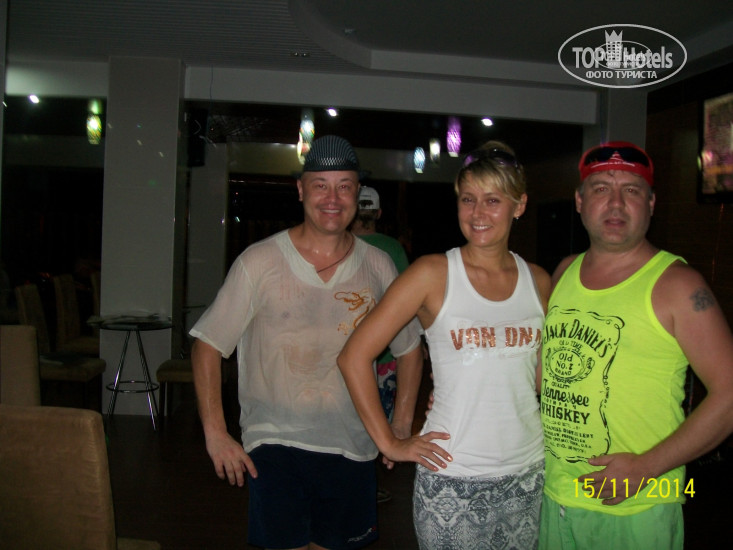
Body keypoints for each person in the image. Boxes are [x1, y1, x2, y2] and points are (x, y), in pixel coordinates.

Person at [190, 135, 423, 550]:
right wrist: (216, 433)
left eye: (344, 186)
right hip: (275, 440)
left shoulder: (378, 265)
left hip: (353, 443)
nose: (332, 198)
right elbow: (207, 345)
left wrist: (401, 424)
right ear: (300, 190)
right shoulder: (259, 261)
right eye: (320, 185)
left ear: (357, 194)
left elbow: (409, 349)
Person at [338, 141, 551, 550]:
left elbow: (537, 380)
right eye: (468, 199)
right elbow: (353, 356)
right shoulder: (433, 273)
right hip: (453, 476)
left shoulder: (539, 282)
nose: (478, 213)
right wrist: (390, 441)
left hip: (528, 474)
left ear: (519, 205)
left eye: (492, 200)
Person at [538, 141, 733, 549]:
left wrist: (646, 468)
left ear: (651, 203)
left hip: (639, 504)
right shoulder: (564, 272)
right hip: (557, 495)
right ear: (579, 201)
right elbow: (542, 377)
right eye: (601, 189)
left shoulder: (678, 285)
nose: (616, 203)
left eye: (631, 190)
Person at [351, 185, 414, 505]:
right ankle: (368, 484)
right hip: (387, 353)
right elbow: (408, 299)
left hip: (347, 353)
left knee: (352, 418)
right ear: (378, 213)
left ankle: (352, 483)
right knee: (378, 418)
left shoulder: (339, 245)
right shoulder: (392, 249)